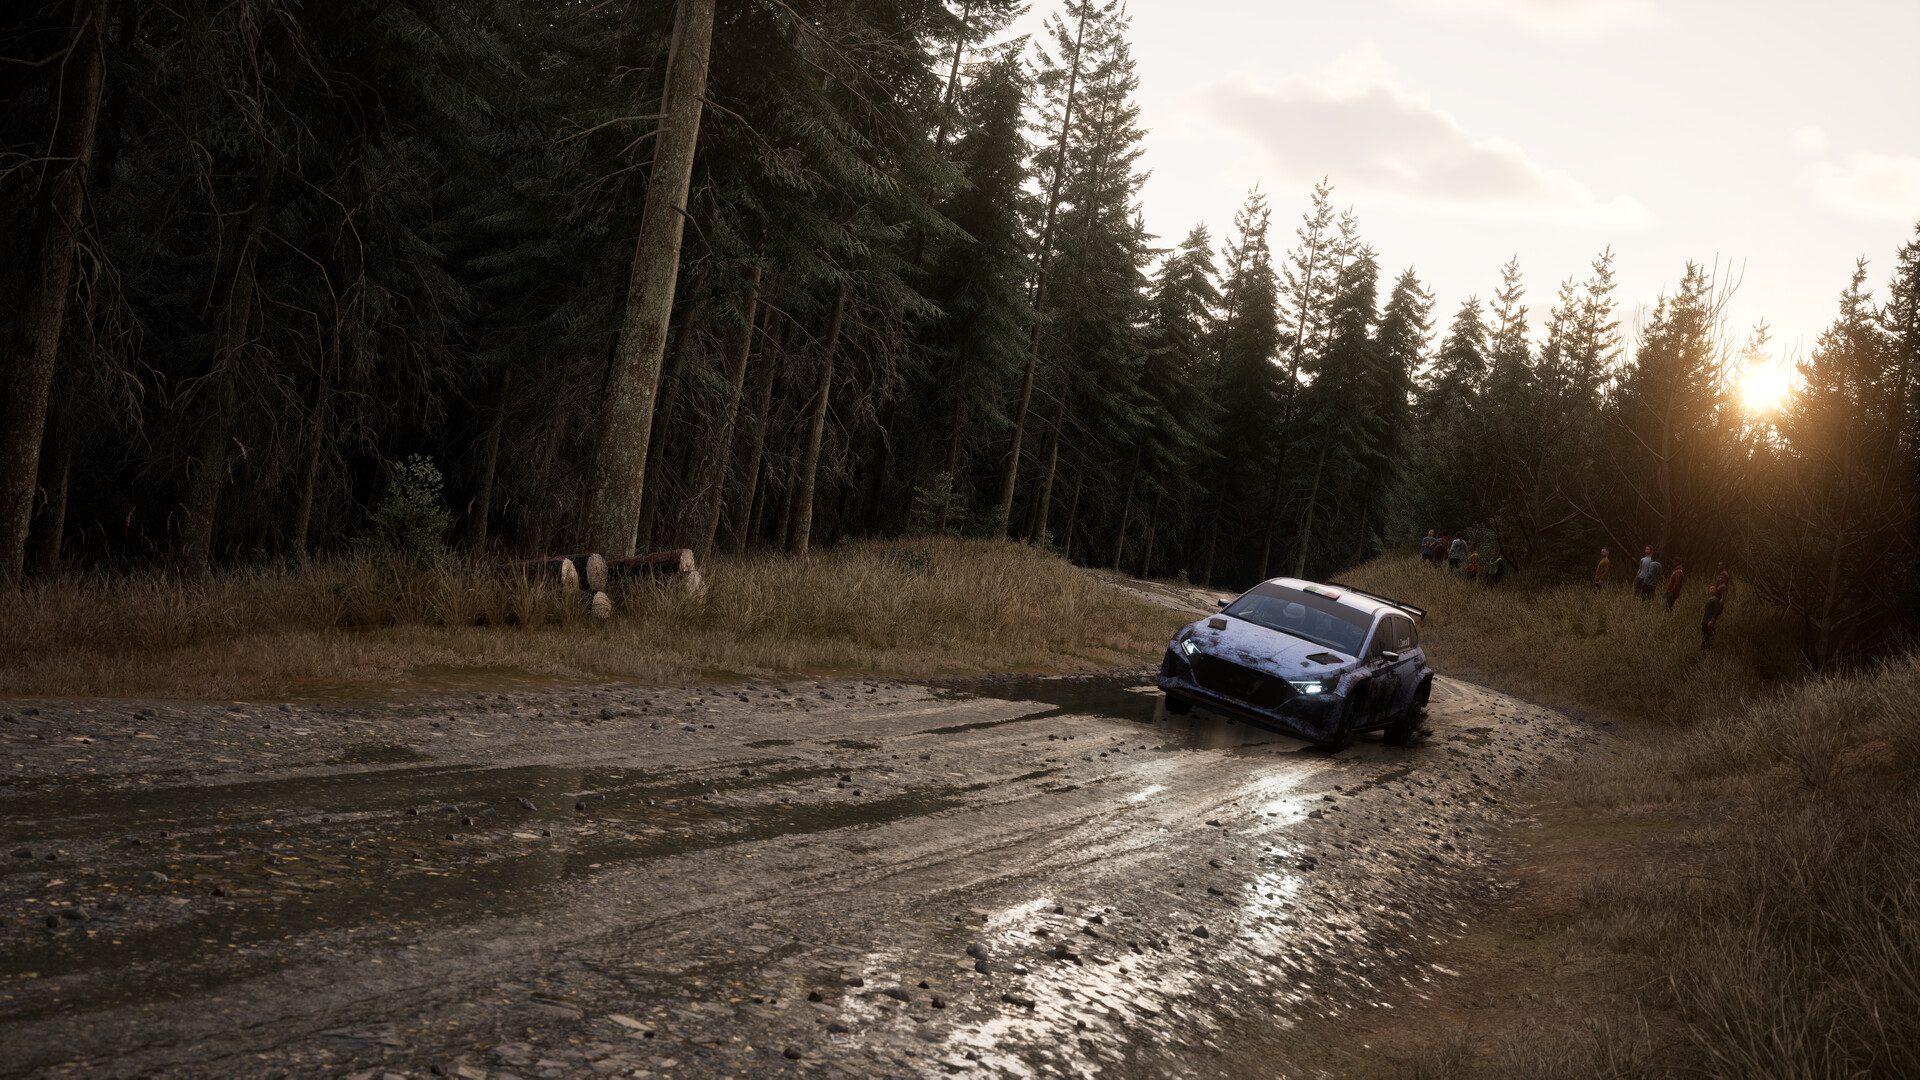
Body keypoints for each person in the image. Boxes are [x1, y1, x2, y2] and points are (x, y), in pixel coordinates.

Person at [1701, 577, 1727, 649]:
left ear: (1715, 591)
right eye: (1710, 588)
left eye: (1713, 589)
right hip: (1705, 621)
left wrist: (1712, 621)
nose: (1711, 590)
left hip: (1708, 622)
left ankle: (1707, 651)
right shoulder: (1710, 599)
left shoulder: (1715, 600)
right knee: (1705, 638)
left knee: (1707, 639)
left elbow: (1716, 611)